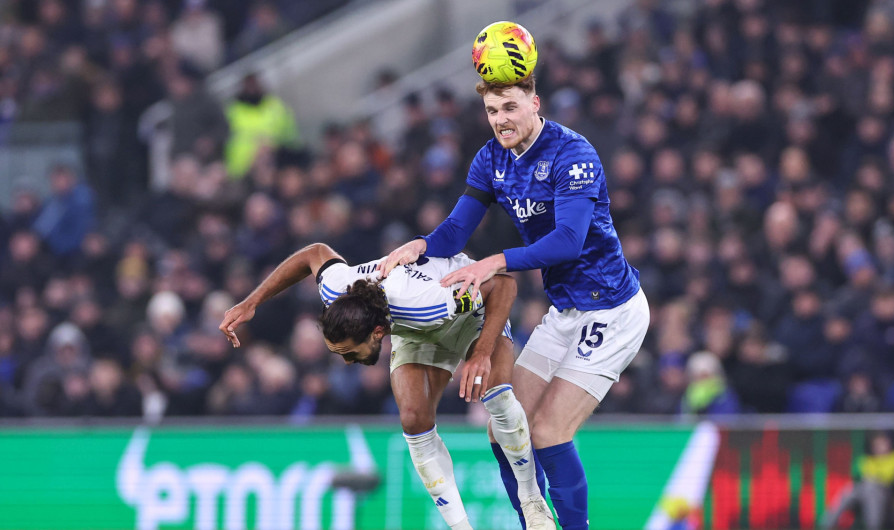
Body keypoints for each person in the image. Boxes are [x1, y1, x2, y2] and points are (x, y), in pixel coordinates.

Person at [379, 74, 650, 530]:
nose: (500, 119)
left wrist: (494, 262)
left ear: (534, 104)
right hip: (565, 312)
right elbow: (456, 231)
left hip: (613, 310)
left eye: (509, 107)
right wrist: (421, 245)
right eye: (492, 111)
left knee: (547, 432)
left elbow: (568, 241)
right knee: (502, 428)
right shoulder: (491, 159)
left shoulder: (573, 153)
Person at [219, 243, 553, 530]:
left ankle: (532, 501)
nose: (347, 362)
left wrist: (480, 353)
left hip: (467, 316)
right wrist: (252, 302)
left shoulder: (427, 302)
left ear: (377, 333)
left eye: (349, 352)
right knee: (413, 418)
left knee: (497, 395)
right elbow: (314, 253)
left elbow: (503, 286)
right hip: (413, 328)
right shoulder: (337, 290)